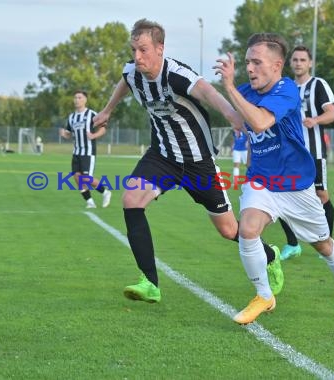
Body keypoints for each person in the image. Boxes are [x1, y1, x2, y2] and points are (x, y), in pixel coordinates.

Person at [92, 18, 283, 303]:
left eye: (143, 50)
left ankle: (269, 255)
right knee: (131, 199)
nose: (137, 57)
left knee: (230, 230)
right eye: (134, 50)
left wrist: (232, 116)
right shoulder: (133, 73)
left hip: (198, 162)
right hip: (162, 156)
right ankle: (150, 282)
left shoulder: (176, 75)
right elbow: (125, 81)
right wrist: (107, 110)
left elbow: (207, 91)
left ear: (160, 48)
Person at [214, 32, 334, 324]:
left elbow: (259, 121)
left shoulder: (287, 90)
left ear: (277, 65)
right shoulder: (245, 90)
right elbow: (234, 114)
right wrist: (194, 87)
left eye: (257, 62)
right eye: (247, 62)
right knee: (248, 229)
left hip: (296, 186)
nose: (250, 68)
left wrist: (229, 87)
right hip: (262, 181)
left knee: (324, 244)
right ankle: (264, 295)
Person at [278, 45, 334, 261]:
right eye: (295, 60)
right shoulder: (286, 87)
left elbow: (331, 114)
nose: (298, 63)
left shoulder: (318, 85)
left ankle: (327, 242)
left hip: (314, 152)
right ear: (290, 63)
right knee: (281, 194)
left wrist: (315, 120)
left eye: (303, 60)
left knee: (321, 196)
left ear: (310, 63)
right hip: (290, 153)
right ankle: (293, 244)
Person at [60, 90, 112, 209]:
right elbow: (69, 134)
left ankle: (105, 192)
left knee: (86, 178)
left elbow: (103, 129)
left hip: (88, 152)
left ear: (85, 100)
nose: (77, 100)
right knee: (77, 177)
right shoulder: (72, 117)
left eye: (79, 97)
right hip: (76, 152)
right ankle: (90, 202)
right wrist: (64, 134)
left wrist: (93, 136)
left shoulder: (92, 114)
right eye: (75, 98)